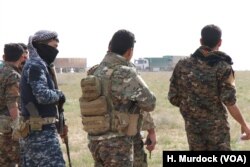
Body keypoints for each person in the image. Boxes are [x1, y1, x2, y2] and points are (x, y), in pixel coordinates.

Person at [168, 24, 250, 150]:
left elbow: (173, 97)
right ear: (220, 42)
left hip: (193, 129)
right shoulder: (223, 67)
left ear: (201, 41)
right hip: (217, 133)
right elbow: (229, 102)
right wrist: (244, 125)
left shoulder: (182, 65)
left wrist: (193, 109)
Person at [82, 29, 156, 167]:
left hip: (95, 141)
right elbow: (149, 103)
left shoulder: (94, 72)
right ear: (129, 51)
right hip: (117, 143)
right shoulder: (125, 73)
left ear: (109, 47)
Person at [20, 30, 66, 166]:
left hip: (39, 131)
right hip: (41, 134)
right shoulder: (35, 65)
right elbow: (42, 95)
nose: (56, 51)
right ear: (41, 45)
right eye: (54, 46)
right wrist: (59, 94)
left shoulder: (40, 65)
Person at [0, 43, 26, 166]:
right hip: (8, 128)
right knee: (21, 159)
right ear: (22, 56)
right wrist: (18, 126)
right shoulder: (13, 75)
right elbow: (12, 103)